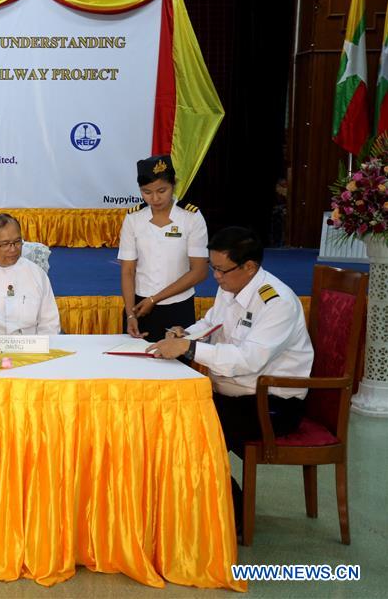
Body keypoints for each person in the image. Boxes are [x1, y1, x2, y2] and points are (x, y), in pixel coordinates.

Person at [147, 227, 312, 530]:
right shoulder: (230, 287)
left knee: (192, 431)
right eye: (213, 268)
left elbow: (249, 359)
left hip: (270, 404)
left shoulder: (277, 303)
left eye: (222, 270)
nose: (216, 277)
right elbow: (211, 323)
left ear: (249, 267)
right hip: (232, 394)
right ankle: (193, 507)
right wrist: (186, 334)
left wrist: (190, 348)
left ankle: (232, 515)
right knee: (169, 418)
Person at [118, 154, 208, 342]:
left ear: (173, 184)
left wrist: (155, 299)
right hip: (139, 306)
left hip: (178, 306)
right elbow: (128, 270)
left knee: (178, 359)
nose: (155, 198)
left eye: (162, 190)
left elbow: (199, 272)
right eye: (146, 192)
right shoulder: (134, 218)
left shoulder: (191, 217)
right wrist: (130, 315)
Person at [0, 213, 60, 335]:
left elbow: (50, 324)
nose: (13, 249)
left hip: (28, 344)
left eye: (17, 242)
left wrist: (43, 345)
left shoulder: (37, 274)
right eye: (5, 244)